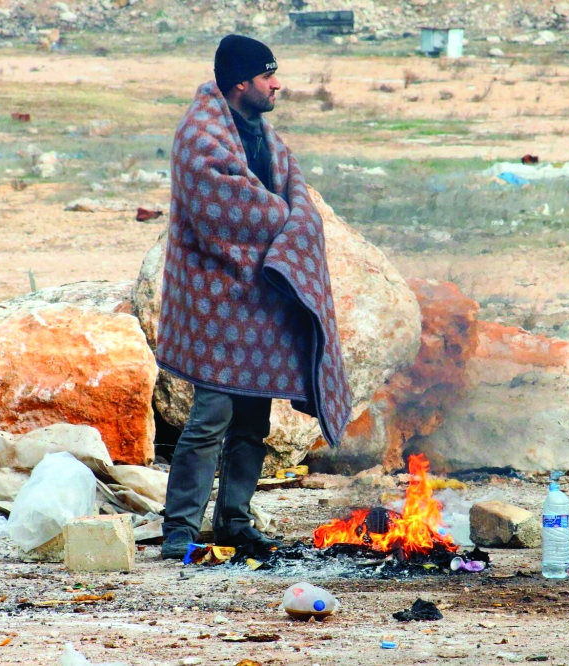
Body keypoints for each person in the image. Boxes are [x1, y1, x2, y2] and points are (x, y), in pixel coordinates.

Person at [157, 34, 352, 559]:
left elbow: (295, 191)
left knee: (252, 420)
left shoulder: (261, 131)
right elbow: (227, 209)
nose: (277, 84)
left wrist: (298, 218)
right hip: (216, 299)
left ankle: (234, 523)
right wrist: (294, 223)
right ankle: (179, 527)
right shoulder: (200, 137)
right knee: (211, 414)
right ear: (241, 82)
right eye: (268, 76)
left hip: (258, 302)